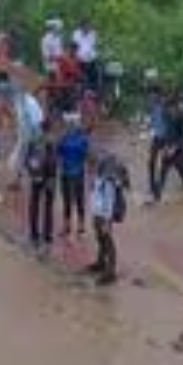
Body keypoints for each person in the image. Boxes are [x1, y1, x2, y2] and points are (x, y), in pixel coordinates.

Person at [87, 156, 124, 286]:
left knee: (107, 241)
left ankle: (111, 271)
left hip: (104, 216)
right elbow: (95, 197)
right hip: (97, 214)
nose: (90, 169)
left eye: (92, 166)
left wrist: (107, 221)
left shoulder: (107, 182)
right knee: (100, 239)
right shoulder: (97, 179)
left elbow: (109, 201)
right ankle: (101, 262)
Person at [24, 118, 58, 252]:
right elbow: (53, 162)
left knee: (34, 205)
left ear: (41, 128)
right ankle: (47, 237)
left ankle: (34, 234)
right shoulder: (52, 142)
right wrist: (52, 178)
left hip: (36, 177)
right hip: (49, 178)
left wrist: (32, 173)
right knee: (48, 208)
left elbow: (27, 160)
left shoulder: (34, 141)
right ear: (51, 128)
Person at [57, 114, 91, 238]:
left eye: (73, 123)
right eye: (69, 123)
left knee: (76, 200)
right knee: (70, 200)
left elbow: (59, 153)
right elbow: (59, 153)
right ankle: (70, 226)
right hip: (69, 173)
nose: (71, 125)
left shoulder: (77, 138)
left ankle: (78, 226)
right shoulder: (68, 137)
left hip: (74, 173)